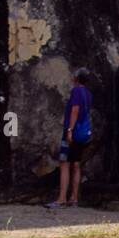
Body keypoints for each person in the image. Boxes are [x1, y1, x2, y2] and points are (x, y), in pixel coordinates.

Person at [47, 68, 93, 209]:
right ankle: (74, 198)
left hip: (73, 132)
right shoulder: (88, 94)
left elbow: (75, 110)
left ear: (76, 78)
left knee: (65, 163)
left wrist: (69, 130)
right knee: (76, 164)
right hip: (83, 133)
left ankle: (61, 198)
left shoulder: (76, 91)